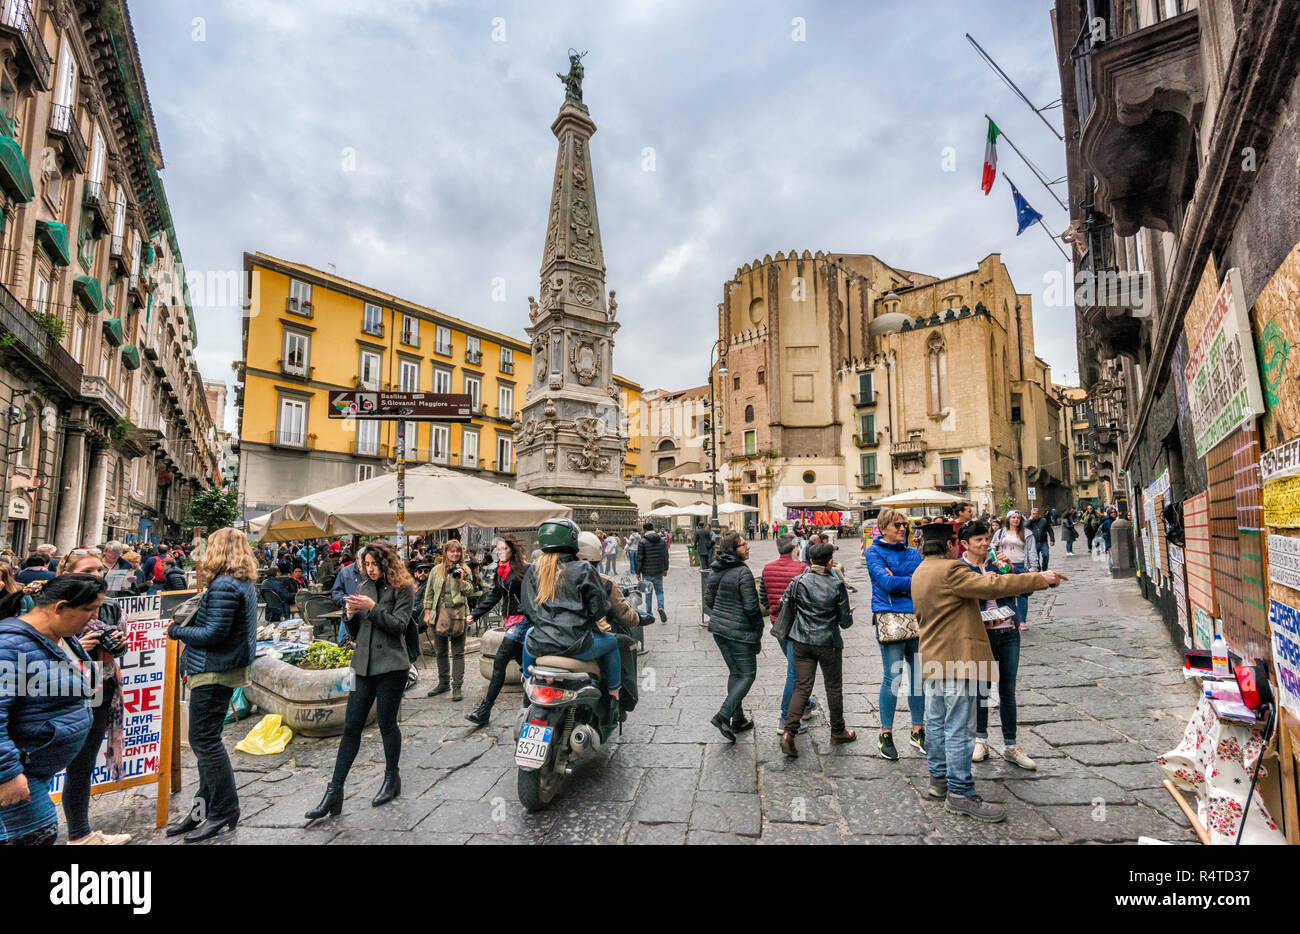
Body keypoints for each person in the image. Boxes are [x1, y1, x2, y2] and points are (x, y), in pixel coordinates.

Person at [911, 522, 1062, 822]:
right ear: (951, 545)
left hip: (930, 658)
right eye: (958, 542)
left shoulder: (920, 571)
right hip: (956, 658)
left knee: (938, 724)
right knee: (959, 729)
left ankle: (938, 781)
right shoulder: (951, 571)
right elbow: (994, 587)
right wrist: (1040, 579)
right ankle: (961, 792)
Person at [305, 542, 414, 820]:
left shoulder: (404, 588)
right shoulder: (363, 587)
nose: (370, 569)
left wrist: (373, 607)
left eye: (374, 565)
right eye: (366, 565)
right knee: (351, 726)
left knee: (387, 723)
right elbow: (357, 632)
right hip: (361, 666)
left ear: (386, 563)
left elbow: (399, 626)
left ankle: (392, 778)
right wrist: (351, 616)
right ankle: (334, 791)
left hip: (391, 666)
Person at [164, 528, 259, 843]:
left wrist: (178, 631)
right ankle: (201, 810)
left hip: (213, 670)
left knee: (205, 742)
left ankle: (223, 809)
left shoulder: (224, 586)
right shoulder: (241, 583)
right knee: (206, 741)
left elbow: (213, 634)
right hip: (223, 669)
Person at [0, 574, 105, 845]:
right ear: (60, 607)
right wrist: (7, 774)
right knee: (35, 835)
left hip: (37, 770)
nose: (94, 618)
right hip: (18, 774)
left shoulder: (64, 637)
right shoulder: (8, 647)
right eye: (89, 610)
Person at [53, 551, 131, 845]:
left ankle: (79, 835)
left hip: (100, 685)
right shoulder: (51, 605)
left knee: (83, 762)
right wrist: (73, 647)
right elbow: (33, 650)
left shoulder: (110, 607)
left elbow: (119, 646)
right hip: (60, 690)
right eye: (88, 569)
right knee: (41, 763)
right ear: (67, 573)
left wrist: (116, 650)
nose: (97, 574)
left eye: (100, 569)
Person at [959, 521, 1038, 771]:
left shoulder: (999, 562)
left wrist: (1009, 572)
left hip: (1008, 631)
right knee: (981, 690)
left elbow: (1022, 591)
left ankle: (1010, 746)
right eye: (978, 541)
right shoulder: (961, 568)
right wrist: (984, 581)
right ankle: (980, 740)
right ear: (965, 544)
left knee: (1008, 690)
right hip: (980, 635)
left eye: (986, 539)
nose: (984, 544)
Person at [519, 519, 619, 703]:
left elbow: (529, 610)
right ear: (572, 539)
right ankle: (614, 692)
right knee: (612, 642)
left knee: (528, 635)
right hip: (577, 645)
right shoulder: (584, 568)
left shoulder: (534, 570)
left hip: (541, 644)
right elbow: (599, 610)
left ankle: (526, 678)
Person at [780, 542, 856, 756]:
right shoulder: (836, 585)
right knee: (833, 687)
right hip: (828, 642)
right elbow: (845, 623)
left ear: (811, 561)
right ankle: (838, 730)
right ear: (830, 562)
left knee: (802, 687)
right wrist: (848, 612)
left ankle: (789, 733)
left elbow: (785, 604)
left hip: (801, 640)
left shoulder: (798, 581)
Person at [864, 508, 926, 761]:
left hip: (917, 617)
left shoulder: (913, 552)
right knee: (893, 676)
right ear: (884, 527)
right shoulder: (873, 552)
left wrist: (900, 579)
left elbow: (924, 582)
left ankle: (917, 730)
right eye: (898, 525)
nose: (903, 528)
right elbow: (886, 583)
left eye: (905, 525)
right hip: (889, 617)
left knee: (919, 675)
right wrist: (908, 580)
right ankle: (885, 734)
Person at [704, 533, 764, 742]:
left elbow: (708, 601)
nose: (748, 547)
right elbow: (751, 607)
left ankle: (738, 719)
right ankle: (723, 716)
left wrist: (722, 615)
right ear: (733, 549)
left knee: (736, 673)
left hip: (720, 630)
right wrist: (758, 629)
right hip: (740, 631)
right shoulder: (742, 572)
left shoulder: (716, 570)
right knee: (747, 674)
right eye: (743, 545)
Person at [465, 536, 529, 727]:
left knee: (500, 658)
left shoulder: (525, 569)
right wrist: (475, 614)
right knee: (523, 662)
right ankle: (533, 697)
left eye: (503, 549)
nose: (499, 552)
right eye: (497, 549)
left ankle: (485, 710)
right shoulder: (500, 571)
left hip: (523, 619)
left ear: (512, 551)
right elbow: (494, 595)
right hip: (509, 620)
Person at [758, 534, 817, 735]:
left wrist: (774, 610)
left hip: (778, 625)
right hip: (797, 628)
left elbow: (763, 598)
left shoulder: (767, 569)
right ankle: (785, 718)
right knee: (794, 673)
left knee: (795, 667)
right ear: (794, 548)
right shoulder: (801, 569)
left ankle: (806, 704)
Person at [423, 538, 481, 701]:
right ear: (446, 552)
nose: (455, 554)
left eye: (457, 551)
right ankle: (443, 683)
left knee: (457, 652)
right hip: (438, 614)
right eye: (451, 551)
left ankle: (457, 686)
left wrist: (461, 580)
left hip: (457, 614)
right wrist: (427, 613)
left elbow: (470, 592)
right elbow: (429, 593)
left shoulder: (465, 569)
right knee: (440, 651)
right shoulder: (436, 570)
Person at [992, 511, 1039, 630]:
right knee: (1007, 593)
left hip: (1022, 565)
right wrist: (994, 545)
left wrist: (1034, 567)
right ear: (1008, 519)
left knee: (1022, 593)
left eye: (1018, 518)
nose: (1016, 519)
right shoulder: (1000, 532)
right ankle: (1011, 619)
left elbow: (1032, 551)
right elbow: (991, 546)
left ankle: (1022, 620)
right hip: (1004, 566)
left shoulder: (1027, 533)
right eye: (1013, 517)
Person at [637, 522, 669, 622]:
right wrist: (665, 569)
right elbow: (665, 556)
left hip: (646, 571)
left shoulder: (642, 542)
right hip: (659, 570)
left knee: (648, 593)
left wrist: (637, 572)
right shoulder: (662, 541)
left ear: (645, 530)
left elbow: (640, 558)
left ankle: (649, 613)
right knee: (659, 591)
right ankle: (660, 607)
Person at [331, 548, 365, 640]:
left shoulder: (374, 572)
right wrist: (347, 601)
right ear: (357, 560)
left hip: (367, 616)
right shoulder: (345, 572)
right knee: (345, 644)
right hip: (349, 614)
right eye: (364, 563)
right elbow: (336, 592)